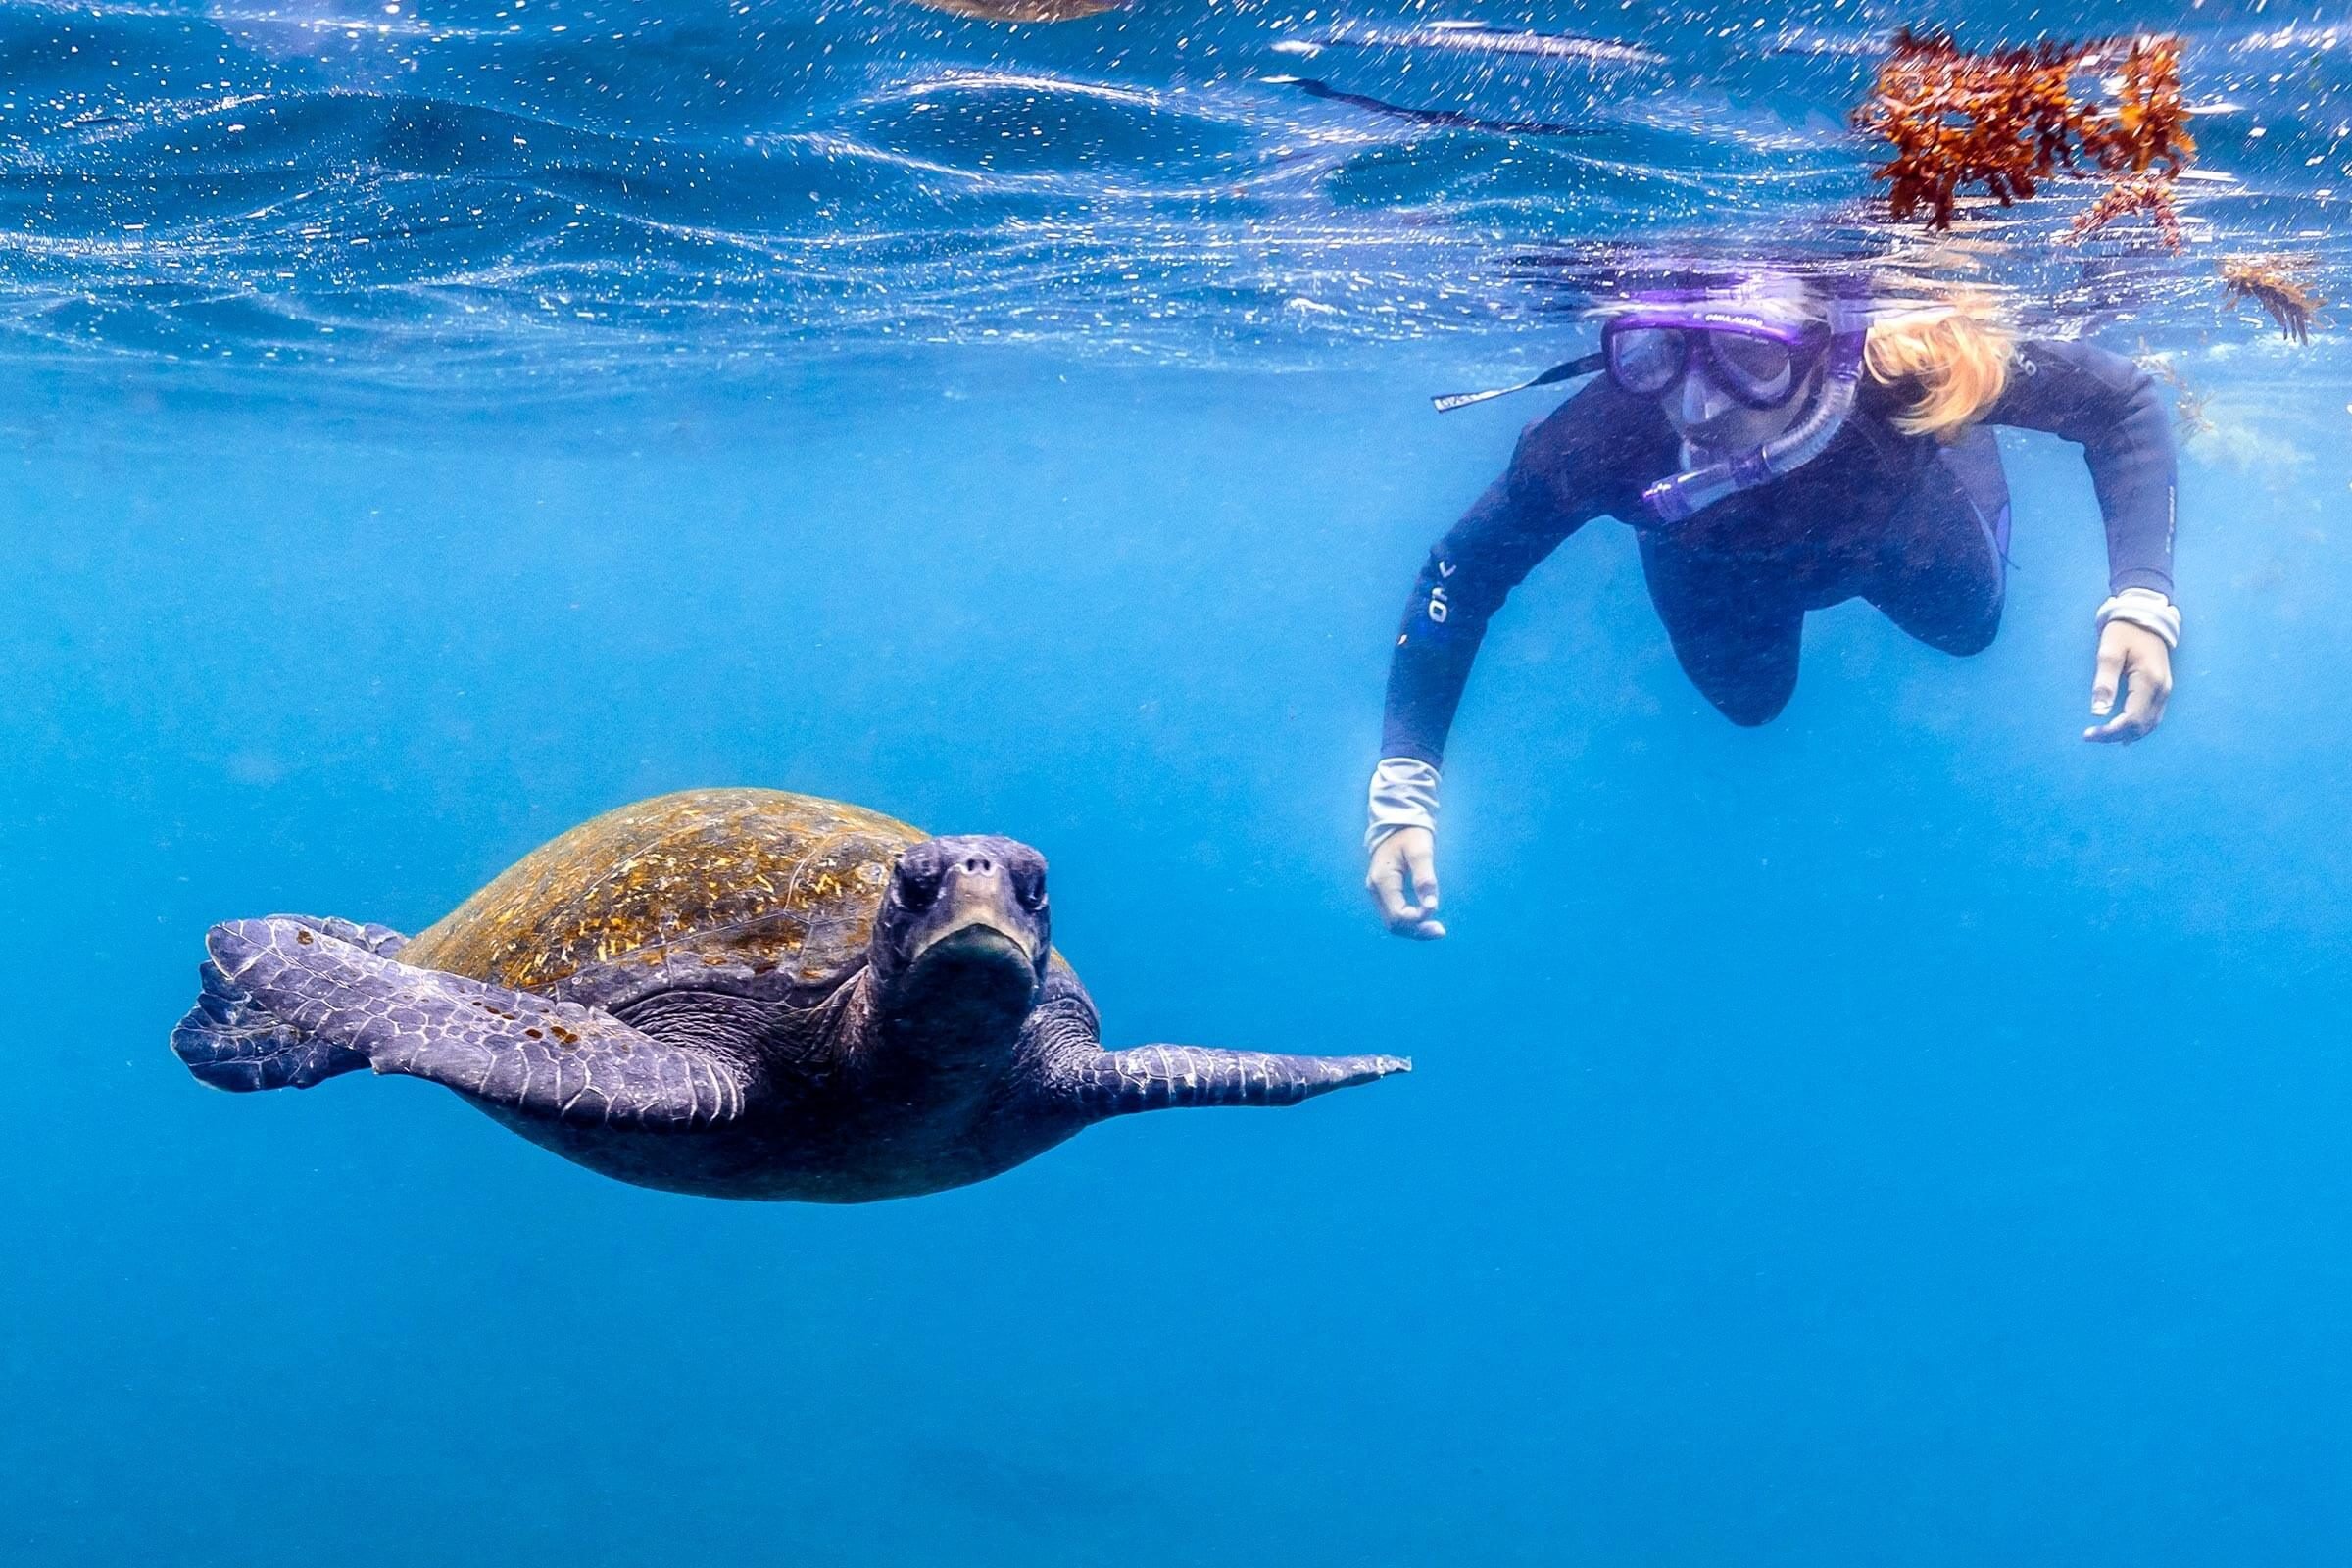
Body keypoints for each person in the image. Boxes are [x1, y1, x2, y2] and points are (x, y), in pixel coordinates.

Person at [1364, 269, 2180, 939]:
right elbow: (1459, 574)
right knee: (1751, 706)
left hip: (1896, 531)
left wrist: (2143, 598)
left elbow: (2123, 404)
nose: (1697, 406)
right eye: (1653, 356)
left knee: (1971, 628)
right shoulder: (1607, 432)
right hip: (1717, 569)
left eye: (1750, 358)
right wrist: (1402, 789)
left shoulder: (1902, 368)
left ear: (1829, 349)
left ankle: (1954, 428)